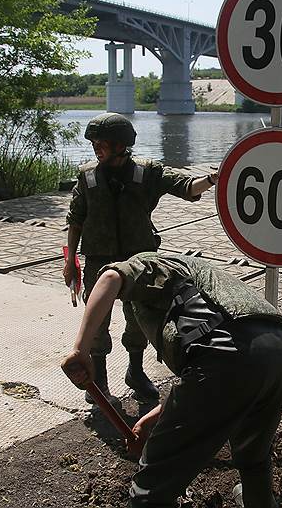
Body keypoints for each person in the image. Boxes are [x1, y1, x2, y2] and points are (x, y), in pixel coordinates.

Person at [61, 252, 282, 508]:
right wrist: (152, 420)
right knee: (253, 452)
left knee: (152, 485)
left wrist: (81, 349)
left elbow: (110, 277)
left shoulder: (148, 262)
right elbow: (209, 380)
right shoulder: (197, 277)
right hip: (279, 352)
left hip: (225, 358)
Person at [64, 112, 218, 404]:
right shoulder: (87, 176)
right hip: (99, 262)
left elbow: (186, 187)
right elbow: (75, 220)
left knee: (139, 322)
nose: (97, 148)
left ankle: (135, 372)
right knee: (97, 325)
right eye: (94, 142)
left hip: (140, 264)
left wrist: (212, 179)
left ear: (121, 144)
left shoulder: (147, 173)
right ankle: (100, 382)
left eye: (103, 142)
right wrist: (70, 261)